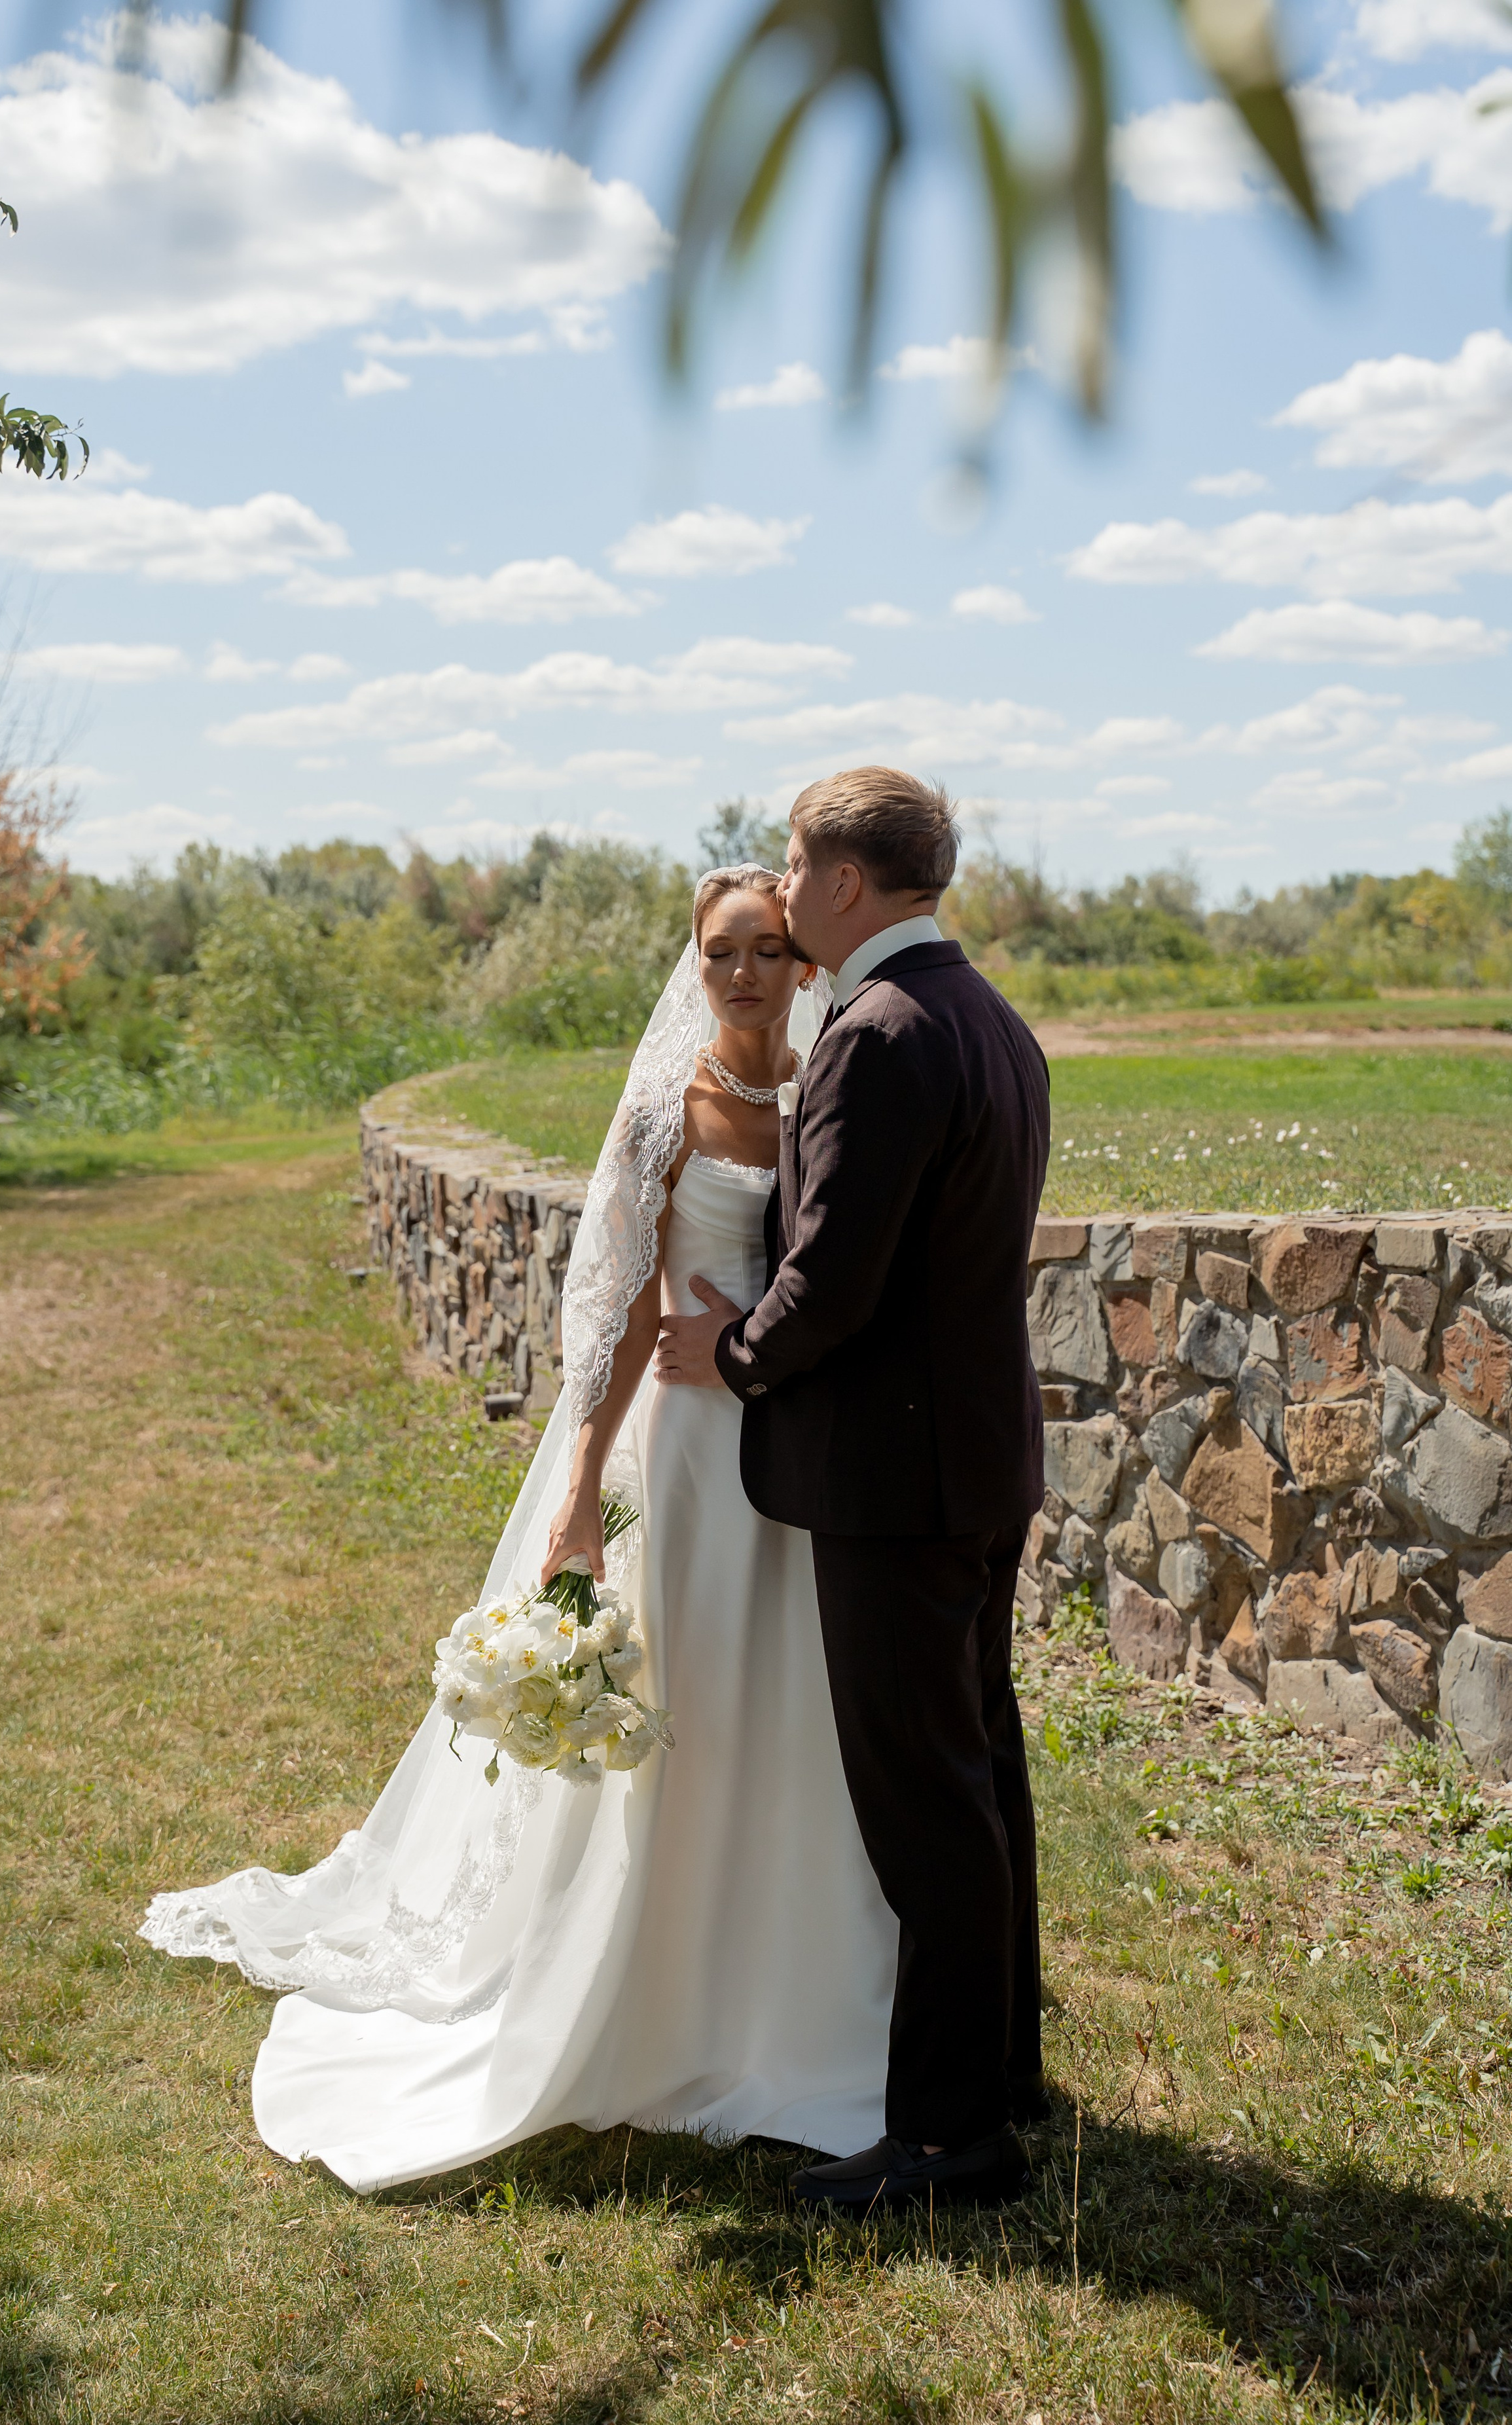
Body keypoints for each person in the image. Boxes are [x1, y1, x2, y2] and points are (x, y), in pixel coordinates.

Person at [139, 864, 898, 2192]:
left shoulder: (826, 1089)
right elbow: (612, 1317)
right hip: (687, 1454)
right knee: (682, 1705)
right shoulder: (664, 1113)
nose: (743, 975)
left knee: (791, 1707)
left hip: (799, 1455)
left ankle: (792, 1984)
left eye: (766, 951)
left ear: (802, 965)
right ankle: (651, 1986)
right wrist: (581, 1489)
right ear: (694, 967)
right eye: (719, 953)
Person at [655, 767, 1051, 2214]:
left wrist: (729, 1353)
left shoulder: (876, 1033)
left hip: (893, 1478)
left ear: (838, 881)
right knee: (977, 1775)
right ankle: (998, 2075)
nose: (779, 884)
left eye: (789, 864)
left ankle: (948, 2143)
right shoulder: (989, 1016)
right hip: (975, 1461)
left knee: (925, 1804)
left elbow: (831, 1279)